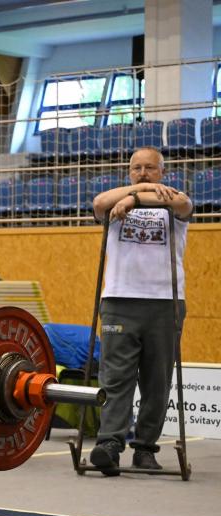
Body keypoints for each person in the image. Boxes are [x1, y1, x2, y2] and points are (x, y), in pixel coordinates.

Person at [89, 146, 192, 475]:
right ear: (129, 171)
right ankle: (110, 444)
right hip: (120, 300)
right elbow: (99, 204)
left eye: (150, 168)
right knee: (115, 378)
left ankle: (145, 448)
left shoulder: (173, 200)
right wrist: (137, 192)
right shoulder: (114, 200)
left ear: (163, 171)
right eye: (137, 168)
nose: (143, 173)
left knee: (156, 382)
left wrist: (133, 200)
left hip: (165, 302)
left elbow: (184, 205)